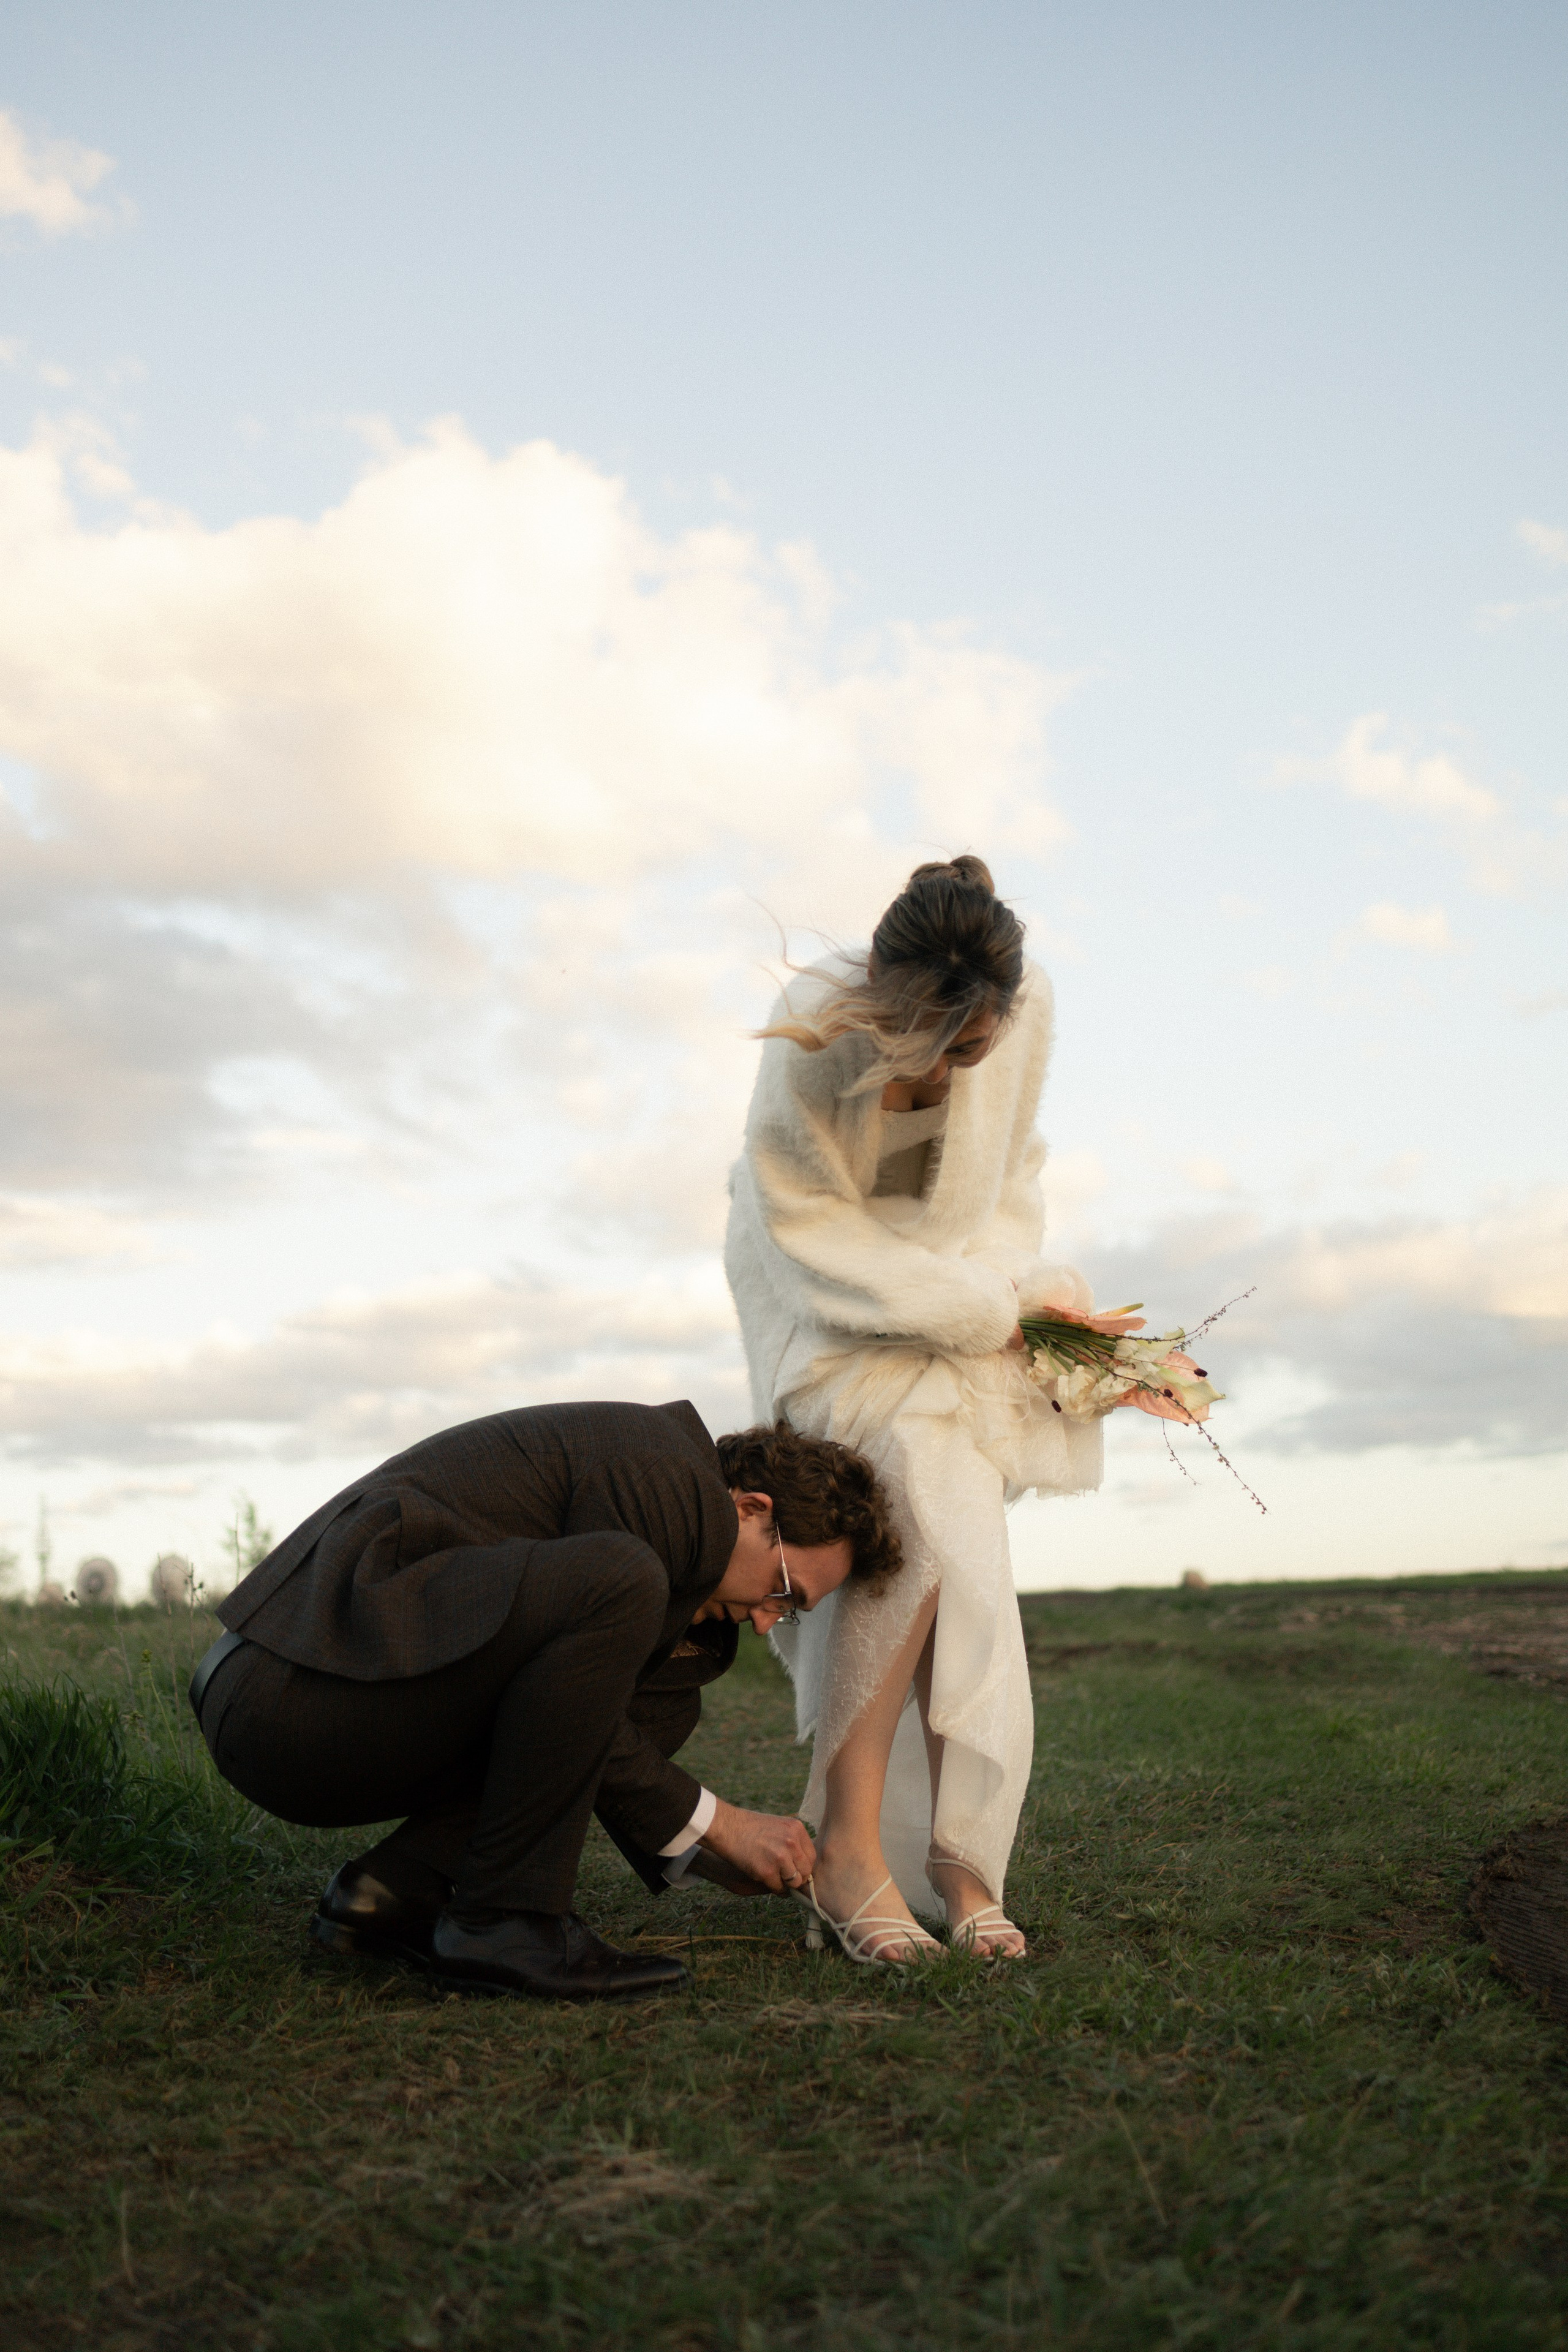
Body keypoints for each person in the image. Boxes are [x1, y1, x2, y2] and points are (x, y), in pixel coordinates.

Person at [190, 1400, 901, 2001]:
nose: (768, 1620)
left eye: (793, 1612)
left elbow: (581, 1708)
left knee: (661, 1703)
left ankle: (395, 1893)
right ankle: (508, 1919)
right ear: (750, 1509)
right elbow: (602, 1620)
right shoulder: (665, 1482)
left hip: (325, 1700)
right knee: (619, 1580)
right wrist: (718, 1824)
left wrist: (696, 1847)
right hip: (287, 1695)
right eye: (784, 1591)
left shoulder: (671, 1504)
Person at [725, 857, 1101, 1964]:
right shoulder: (809, 1037)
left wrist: (1009, 1293)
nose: (953, 1066)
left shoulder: (1028, 1014)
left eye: (972, 1048)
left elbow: (1013, 1175)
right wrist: (966, 1310)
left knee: (955, 1527)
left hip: (961, 1291)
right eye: (931, 1043)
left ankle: (956, 1855)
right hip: (824, 1305)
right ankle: (856, 1851)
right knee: (908, 1511)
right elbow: (801, 1229)